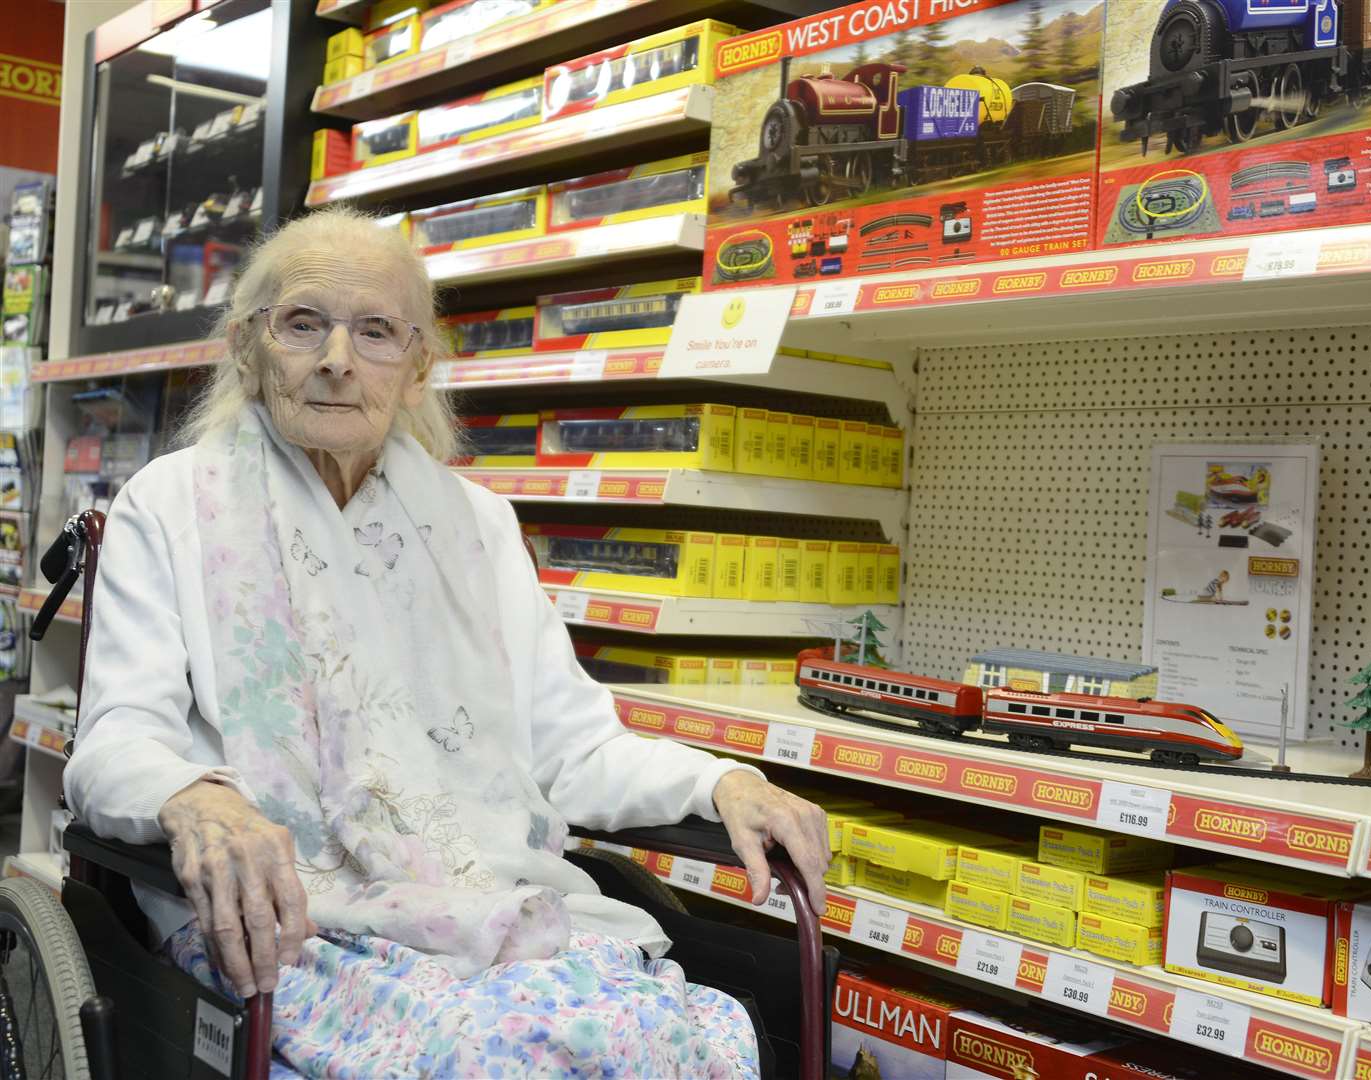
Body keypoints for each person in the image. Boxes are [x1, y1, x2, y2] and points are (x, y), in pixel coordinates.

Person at [63, 207, 830, 1078]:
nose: (337, 359)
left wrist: (719, 780)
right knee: (489, 1056)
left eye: (377, 332)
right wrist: (200, 798)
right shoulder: (169, 506)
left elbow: (571, 746)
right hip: (290, 922)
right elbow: (117, 737)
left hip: (490, 906)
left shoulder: (479, 526)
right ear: (247, 345)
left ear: (419, 367)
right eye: (303, 323)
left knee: (676, 1034)